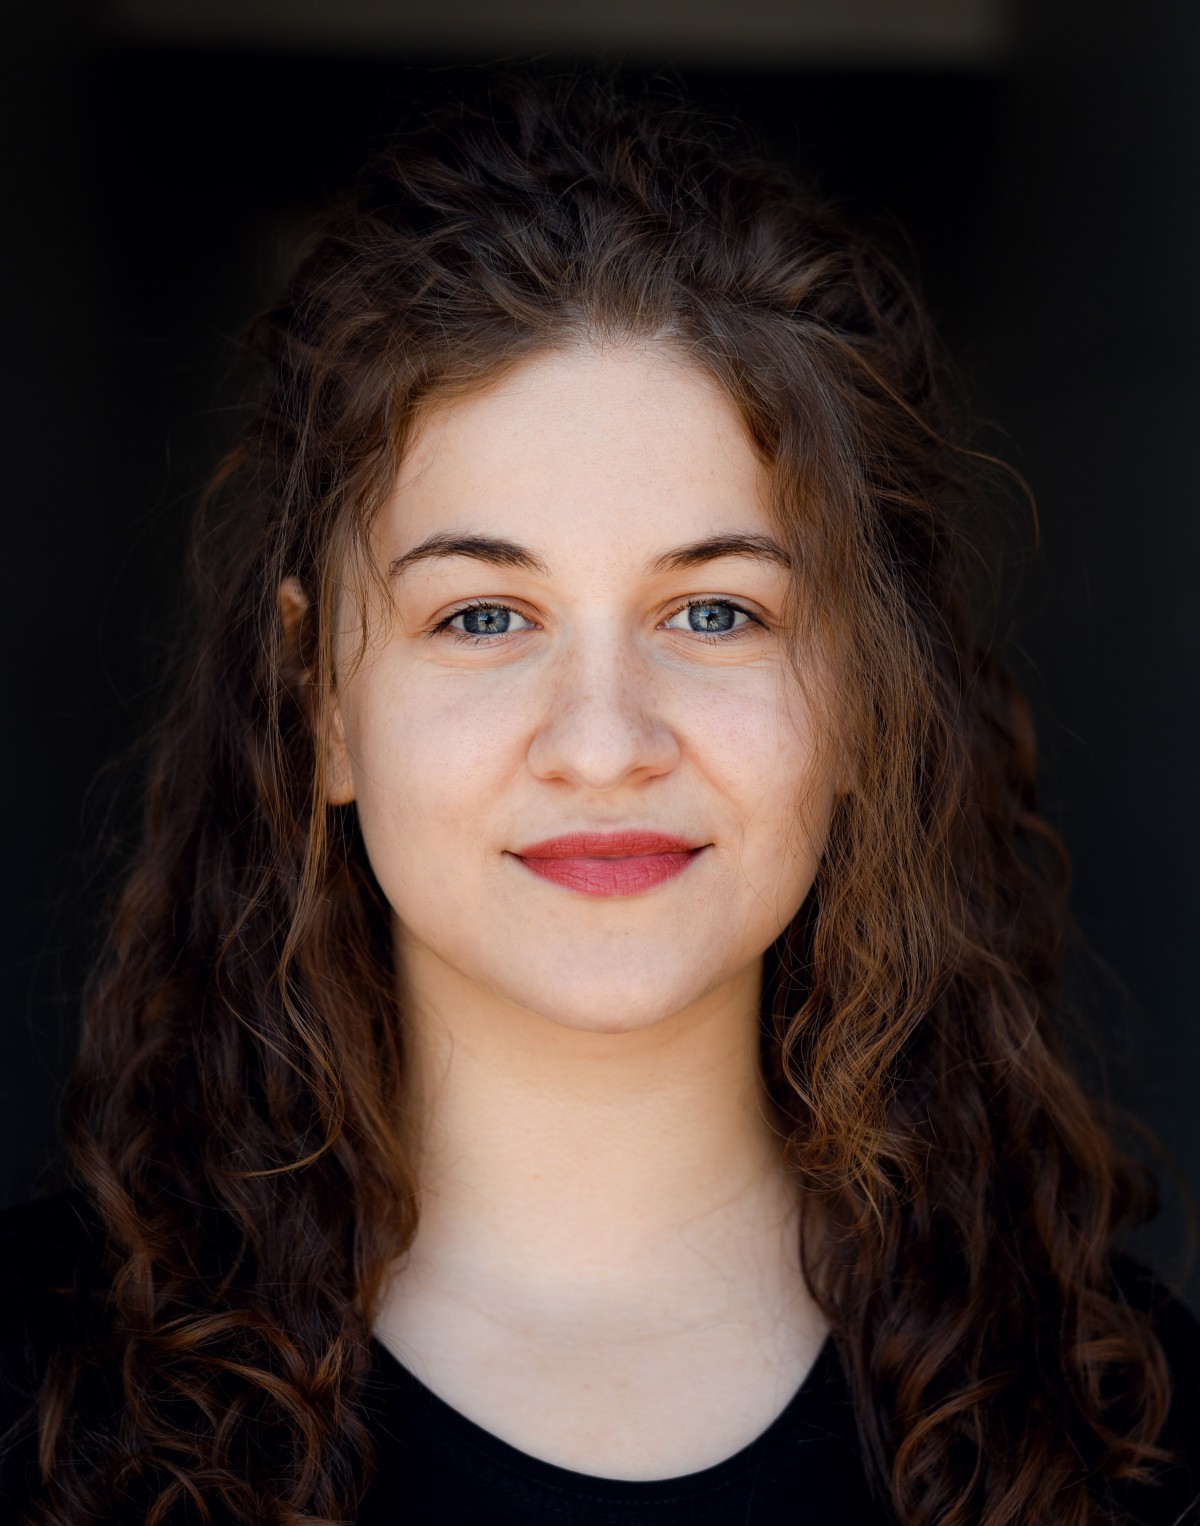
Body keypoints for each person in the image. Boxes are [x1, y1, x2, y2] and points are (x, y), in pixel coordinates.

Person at [1, 72, 1197, 1526]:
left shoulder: (1125, 1433)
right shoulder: (42, 1402)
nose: (604, 742)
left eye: (715, 612)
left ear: (865, 697)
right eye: (483, 617)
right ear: (319, 707)